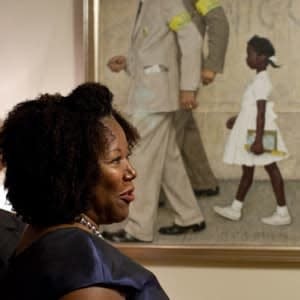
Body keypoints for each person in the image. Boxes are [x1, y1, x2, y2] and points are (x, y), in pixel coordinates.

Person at [0, 82, 169, 299]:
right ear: (74, 170)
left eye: (128, 157)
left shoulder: (40, 239)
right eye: (116, 160)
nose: (131, 172)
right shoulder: (84, 269)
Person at [104, 0, 206, 243]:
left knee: (142, 158)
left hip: (155, 96)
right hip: (152, 91)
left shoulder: (166, 2)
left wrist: (189, 87)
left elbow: (192, 38)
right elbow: (156, 48)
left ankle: (139, 228)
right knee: (169, 158)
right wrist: (128, 62)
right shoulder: (149, 3)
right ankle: (190, 216)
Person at [214, 35, 291, 226]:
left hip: (258, 133)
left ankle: (283, 212)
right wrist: (237, 120)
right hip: (251, 131)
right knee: (248, 171)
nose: (246, 58)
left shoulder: (262, 81)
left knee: (271, 169)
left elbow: (261, 112)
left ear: (262, 57)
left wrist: (258, 140)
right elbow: (251, 109)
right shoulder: (258, 79)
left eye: (250, 54)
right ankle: (235, 208)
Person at [175, 0, 229, 197]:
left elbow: (218, 20)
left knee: (168, 132)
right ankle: (203, 181)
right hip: (165, 70)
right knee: (185, 127)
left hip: (182, 71)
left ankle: (158, 190)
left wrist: (212, 64)